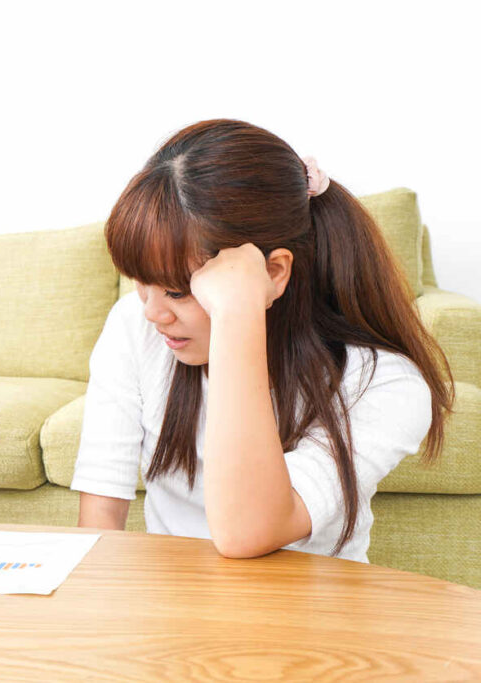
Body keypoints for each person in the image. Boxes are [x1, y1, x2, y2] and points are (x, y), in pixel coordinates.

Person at [72, 119, 452, 561]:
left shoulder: (385, 383)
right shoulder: (134, 327)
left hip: (314, 613)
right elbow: (99, 515)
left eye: (177, 291)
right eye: (140, 285)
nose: (153, 312)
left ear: (274, 273)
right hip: (175, 607)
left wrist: (239, 314)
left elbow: (248, 531)